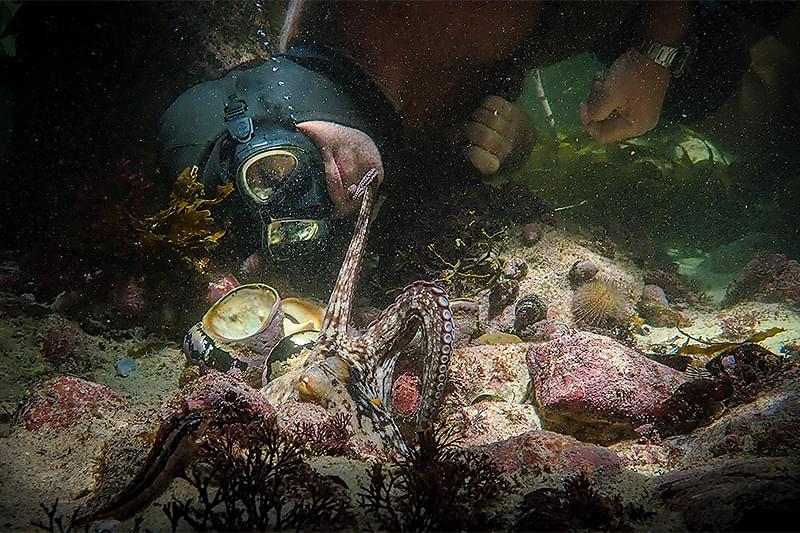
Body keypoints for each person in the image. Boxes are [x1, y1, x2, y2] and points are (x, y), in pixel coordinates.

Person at [158, 1, 699, 257]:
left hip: (637, 27)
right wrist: (507, 143)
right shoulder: (372, 153)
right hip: (575, 38)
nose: (327, 193)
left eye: (271, 169)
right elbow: (499, 107)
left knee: (713, 76)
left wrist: (656, 48)